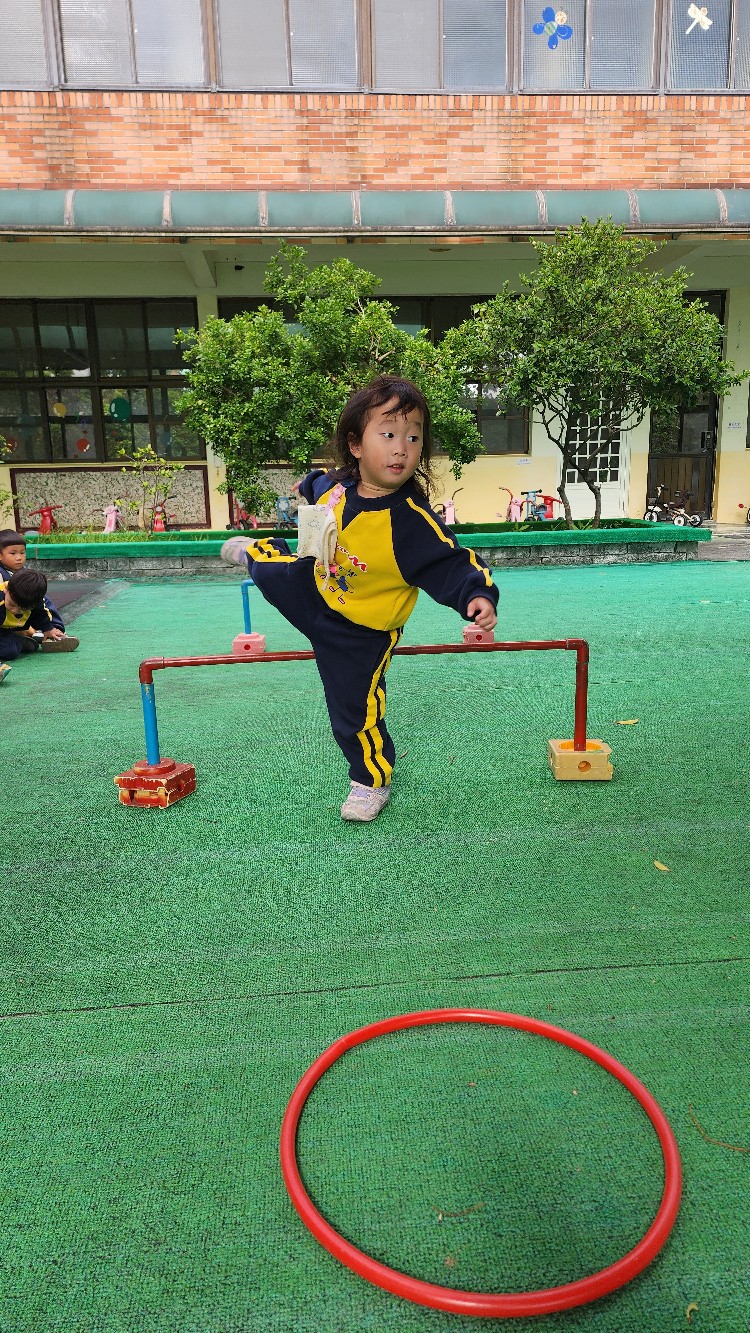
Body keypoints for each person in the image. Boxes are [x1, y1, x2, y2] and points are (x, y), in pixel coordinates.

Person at [244, 375, 498, 822]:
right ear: (355, 445)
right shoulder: (339, 487)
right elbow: (318, 485)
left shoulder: (411, 521)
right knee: (269, 570)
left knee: (353, 711)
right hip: (316, 589)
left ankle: (370, 780)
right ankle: (258, 551)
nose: (401, 449)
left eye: (413, 437)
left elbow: (452, 561)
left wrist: (476, 593)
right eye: (388, 434)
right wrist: (308, 483)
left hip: (360, 633)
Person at [0, 530, 79, 653]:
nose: (19, 558)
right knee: (9, 651)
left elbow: (39, 611)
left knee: (40, 597)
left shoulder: (25, 575)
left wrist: (48, 627)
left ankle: (53, 633)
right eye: (13, 553)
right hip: (4, 623)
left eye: (22, 553)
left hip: (19, 620)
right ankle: (23, 639)